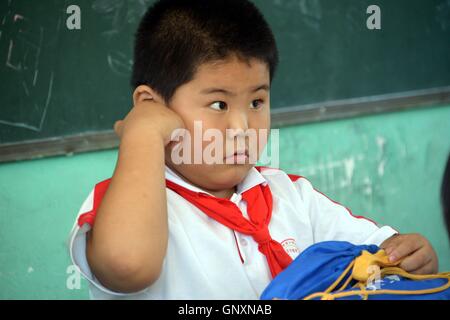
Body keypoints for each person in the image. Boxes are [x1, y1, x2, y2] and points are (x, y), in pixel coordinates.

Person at [68, 0, 438, 299]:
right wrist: (142, 135)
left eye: (257, 102)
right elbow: (128, 265)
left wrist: (414, 255)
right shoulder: (125, 202)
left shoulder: (293, 197)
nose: (242, 128)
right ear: (153, 105)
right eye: (219, 105)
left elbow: (383, 252)